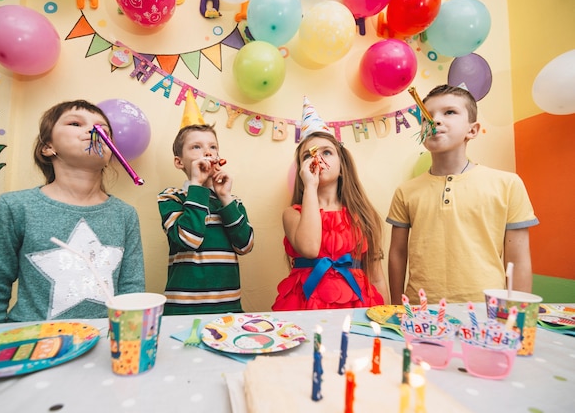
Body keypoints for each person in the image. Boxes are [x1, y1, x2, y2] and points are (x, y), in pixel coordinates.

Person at [0, 100, 146, 323]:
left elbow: (131, 292)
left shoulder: (125, 214)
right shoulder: (15, 207)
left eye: (104, 129)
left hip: (105, 345)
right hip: (31, 344)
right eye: (76, 123)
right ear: (47, 147)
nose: (94, 130)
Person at [387, 84, 539, 305]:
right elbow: (397, 254)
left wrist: (518, 315)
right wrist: (397, 306)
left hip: (487, 309)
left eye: (449, 112)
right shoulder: (405, 191)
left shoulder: (508, 184)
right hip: (421, 310)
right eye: (426, 116)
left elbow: (518, 260)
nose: (435, 120)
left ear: (473, 130)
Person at [272, 97, 389, 310]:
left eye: (326, 152)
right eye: (308, 155)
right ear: (301, 168)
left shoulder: (363, 215)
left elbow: (378, 276)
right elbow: (309, 248)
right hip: (307, 304)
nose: (318, 158)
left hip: (357, 303)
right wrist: (310, 187)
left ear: (342, 166)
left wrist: (385, 319)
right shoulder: (292, 214)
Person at [157, 90, 254, 315]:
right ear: (179, 162)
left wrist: (225, 197)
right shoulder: (171, 197)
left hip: (228, 308)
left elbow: (245, 246)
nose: (207, 153)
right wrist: (197, 187)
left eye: (212, 147)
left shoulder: (230, 200)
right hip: (182, 309)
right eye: (196, 147)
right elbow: (190, 239)